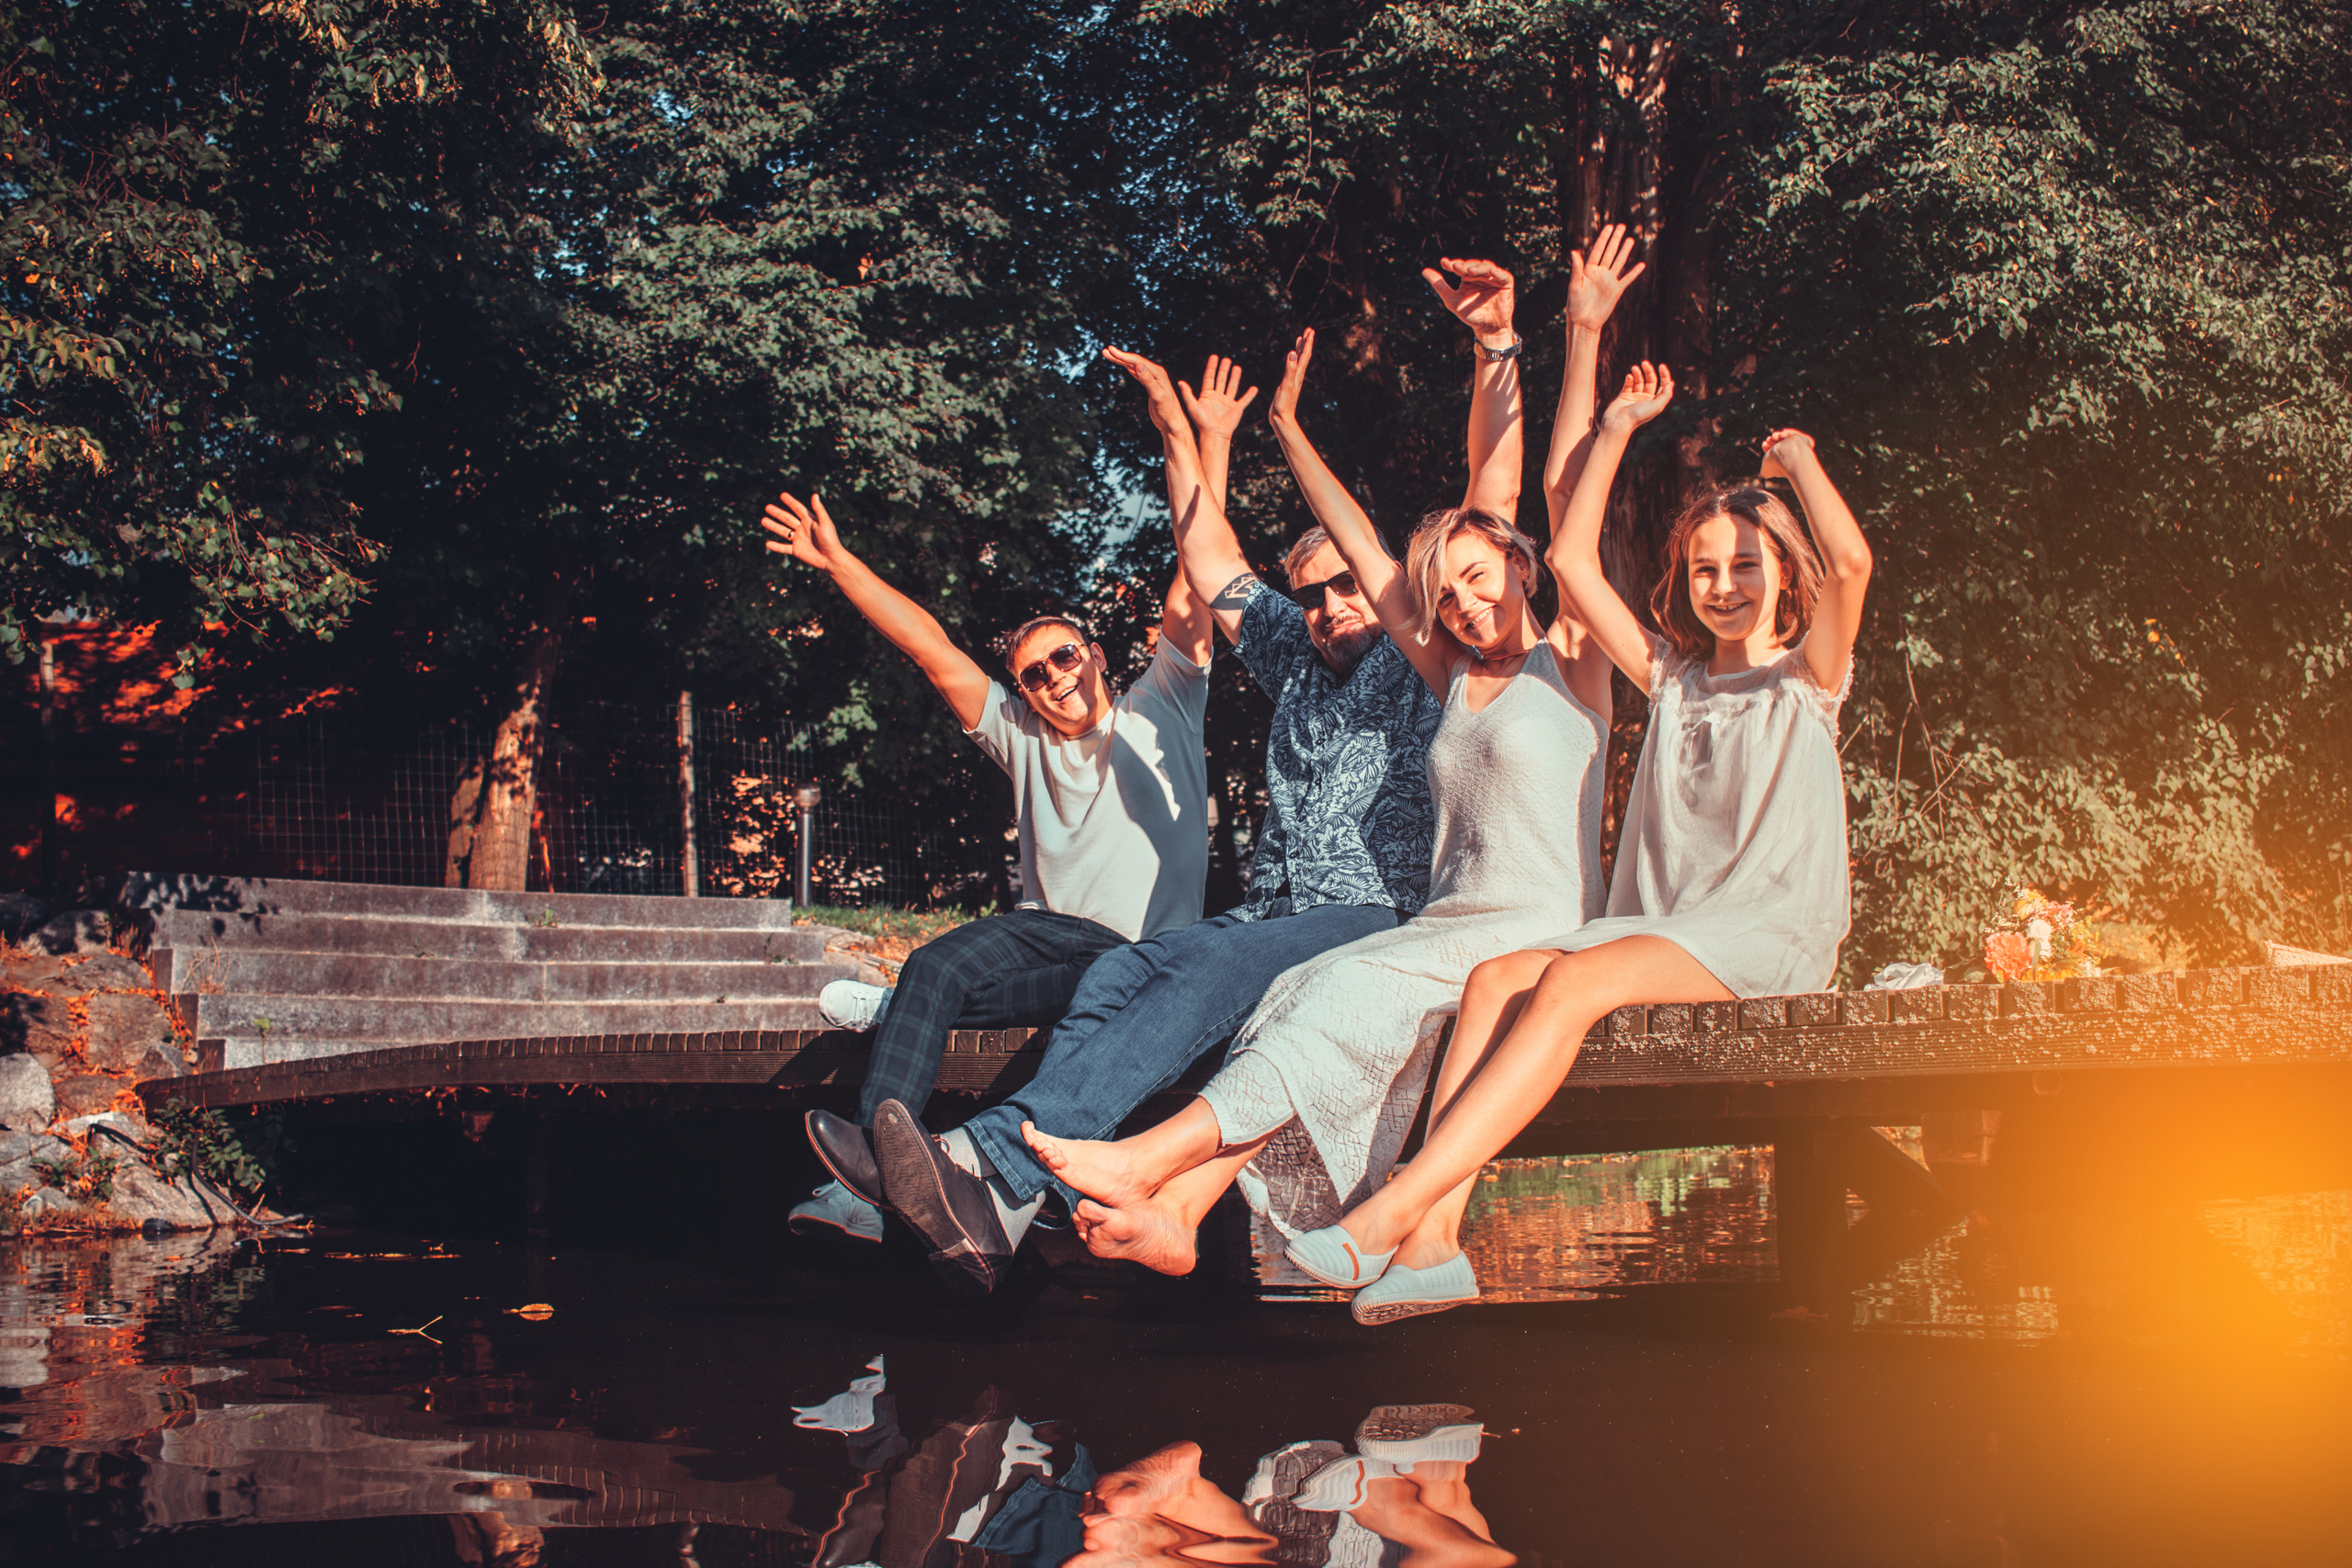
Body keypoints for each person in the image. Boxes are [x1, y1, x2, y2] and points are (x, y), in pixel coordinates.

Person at [860, 254, 1536, 1294]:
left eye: (1346, 589)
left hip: (1371, 911)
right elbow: (1209, 551)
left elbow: (1492, 500)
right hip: (1271, 907)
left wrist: (1494, 347)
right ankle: (1017, 1204)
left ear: (1385, 590)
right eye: (1310, 596)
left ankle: (988, 1158)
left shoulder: (1422, 659)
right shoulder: (1292, 652)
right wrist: (1180, 437)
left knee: (1218, 969)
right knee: (1120, 972)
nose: (1329, 610)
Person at [1021, 227, 1651, 1301]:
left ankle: (1149, 1163)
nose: (1464, 602)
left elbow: (1537, 484)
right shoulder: (1451, 672)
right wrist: (1284, 429)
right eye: (1445, 592)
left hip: (1535, 924)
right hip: (1444, 920)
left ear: (1520, 567)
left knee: (1341, 986)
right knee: (1305, 989)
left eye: (1480, 577)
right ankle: (1180, 1210)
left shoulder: (1575, 662)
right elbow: (1355, 542)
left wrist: (1547, 337)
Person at [1299, 359, 1876, 1323]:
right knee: (1494, 980)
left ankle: (1392, 1211)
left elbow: (1851, 564)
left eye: (1744, 566)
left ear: (1781, 572)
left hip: (1768, 933)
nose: (1724, 586)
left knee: (1566, 983)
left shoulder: (1807, 680)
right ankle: (1436, 1248)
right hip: (1669, 932)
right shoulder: (1672, 680)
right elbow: (1568, 557)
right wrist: (1612, 428)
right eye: (1704, 570)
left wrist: (1798, 462)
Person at [759, 486, 1214, 1244]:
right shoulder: (1021, 733)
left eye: (1064, 656)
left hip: (1140, 965)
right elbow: (930, 648)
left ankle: (897, 1011)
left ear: (1097, 656)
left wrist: (1204, 448)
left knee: (926, 988)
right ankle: (872, 1184)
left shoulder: (1161, 704)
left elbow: (1194, 582)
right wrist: (838, 562)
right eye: (1032, 674)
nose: (1053, 677)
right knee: (935, 966)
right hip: (1053, 937)